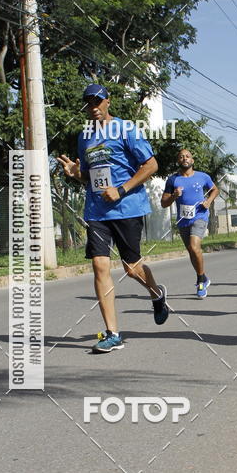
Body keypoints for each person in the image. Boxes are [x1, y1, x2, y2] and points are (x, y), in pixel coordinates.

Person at [58, 83, 169, 353]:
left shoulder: (126, 129)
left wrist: (121, 189)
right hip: (97, 209)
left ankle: (156, 294)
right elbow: (88, 175)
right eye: (89, 102)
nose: (94, 107)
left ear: (108, 102)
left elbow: (151, 165)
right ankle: (112, 333)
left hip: (127, 207)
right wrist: (76, 173)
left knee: (131, 268)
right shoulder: (84, 137)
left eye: (98, 101)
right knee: (100, 266)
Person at [161, 149, 219, 298]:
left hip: (200, 216)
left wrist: (208, 201)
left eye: (187, 156)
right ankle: (204, 277)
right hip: (183, 220)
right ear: (178, 161)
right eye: (181, 156)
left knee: (194, 246)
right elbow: (163, 203)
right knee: (192, 253)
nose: (184, 158)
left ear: (192, 160)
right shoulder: (172, 180)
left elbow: (214, 190)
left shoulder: (203, 176)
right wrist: (174, 196)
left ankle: (200, 281)